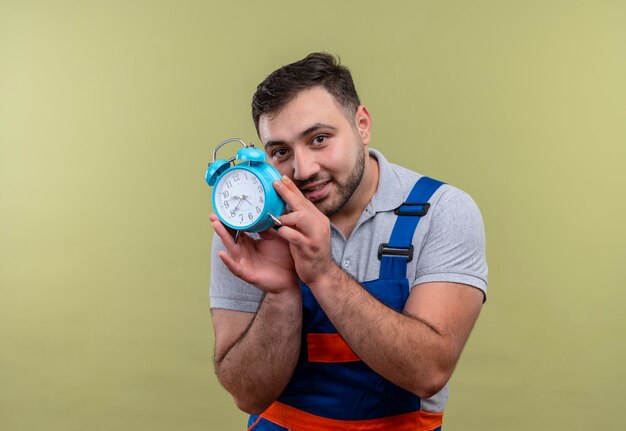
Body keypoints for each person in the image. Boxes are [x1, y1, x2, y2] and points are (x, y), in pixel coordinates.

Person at [209, 52, 487, 431]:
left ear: (362, 124)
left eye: (319, 139)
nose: (303, 170)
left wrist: (321, 273)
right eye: (280, 152)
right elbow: (248, 395)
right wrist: (281, 293)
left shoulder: (442, 212)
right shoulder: (250, 231)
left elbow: (428, 371)